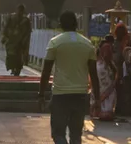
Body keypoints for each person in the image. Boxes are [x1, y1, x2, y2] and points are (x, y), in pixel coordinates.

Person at [39, 11, 97, 144]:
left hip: (60, 95)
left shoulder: (55, 43)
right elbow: (93, 74)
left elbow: (46, 71)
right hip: (80, 95)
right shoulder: (87, 44)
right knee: (76, 135)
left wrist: (41, 94)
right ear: (76, 24)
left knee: (58, 134)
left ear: (60, 25)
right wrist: (97, 98)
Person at [90, 33, 119, 120]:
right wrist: (112, 68)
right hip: (104, 70)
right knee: (108, 90)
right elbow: (107, 57)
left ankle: (98, 111)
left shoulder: (101, 47)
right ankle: (105, 112)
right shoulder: (107, 46)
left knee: (99, 89)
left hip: (99, 68)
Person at [2, 5, 31, 75]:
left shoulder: (25, 20)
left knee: (17, 57)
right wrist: (5, 36)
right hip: (12, 41)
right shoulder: (11, 18)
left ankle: (16, 70)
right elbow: (5, 28)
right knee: (12, 56)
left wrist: (25, 42)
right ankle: (13, 69)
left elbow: (28, 32)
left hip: (19, 42)